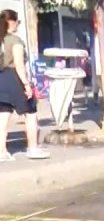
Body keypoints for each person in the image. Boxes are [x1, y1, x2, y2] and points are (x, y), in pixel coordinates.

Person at [0, 9, 49, 161]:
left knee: (3, 115)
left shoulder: (2, 40)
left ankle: (2, 151)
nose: (18, 25)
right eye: (18, 22)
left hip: (2, 78)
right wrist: (27, 85)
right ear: (11, 22)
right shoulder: (15, 41)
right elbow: (19, 65)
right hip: (14, 78)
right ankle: (33, 148)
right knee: (30, 112)